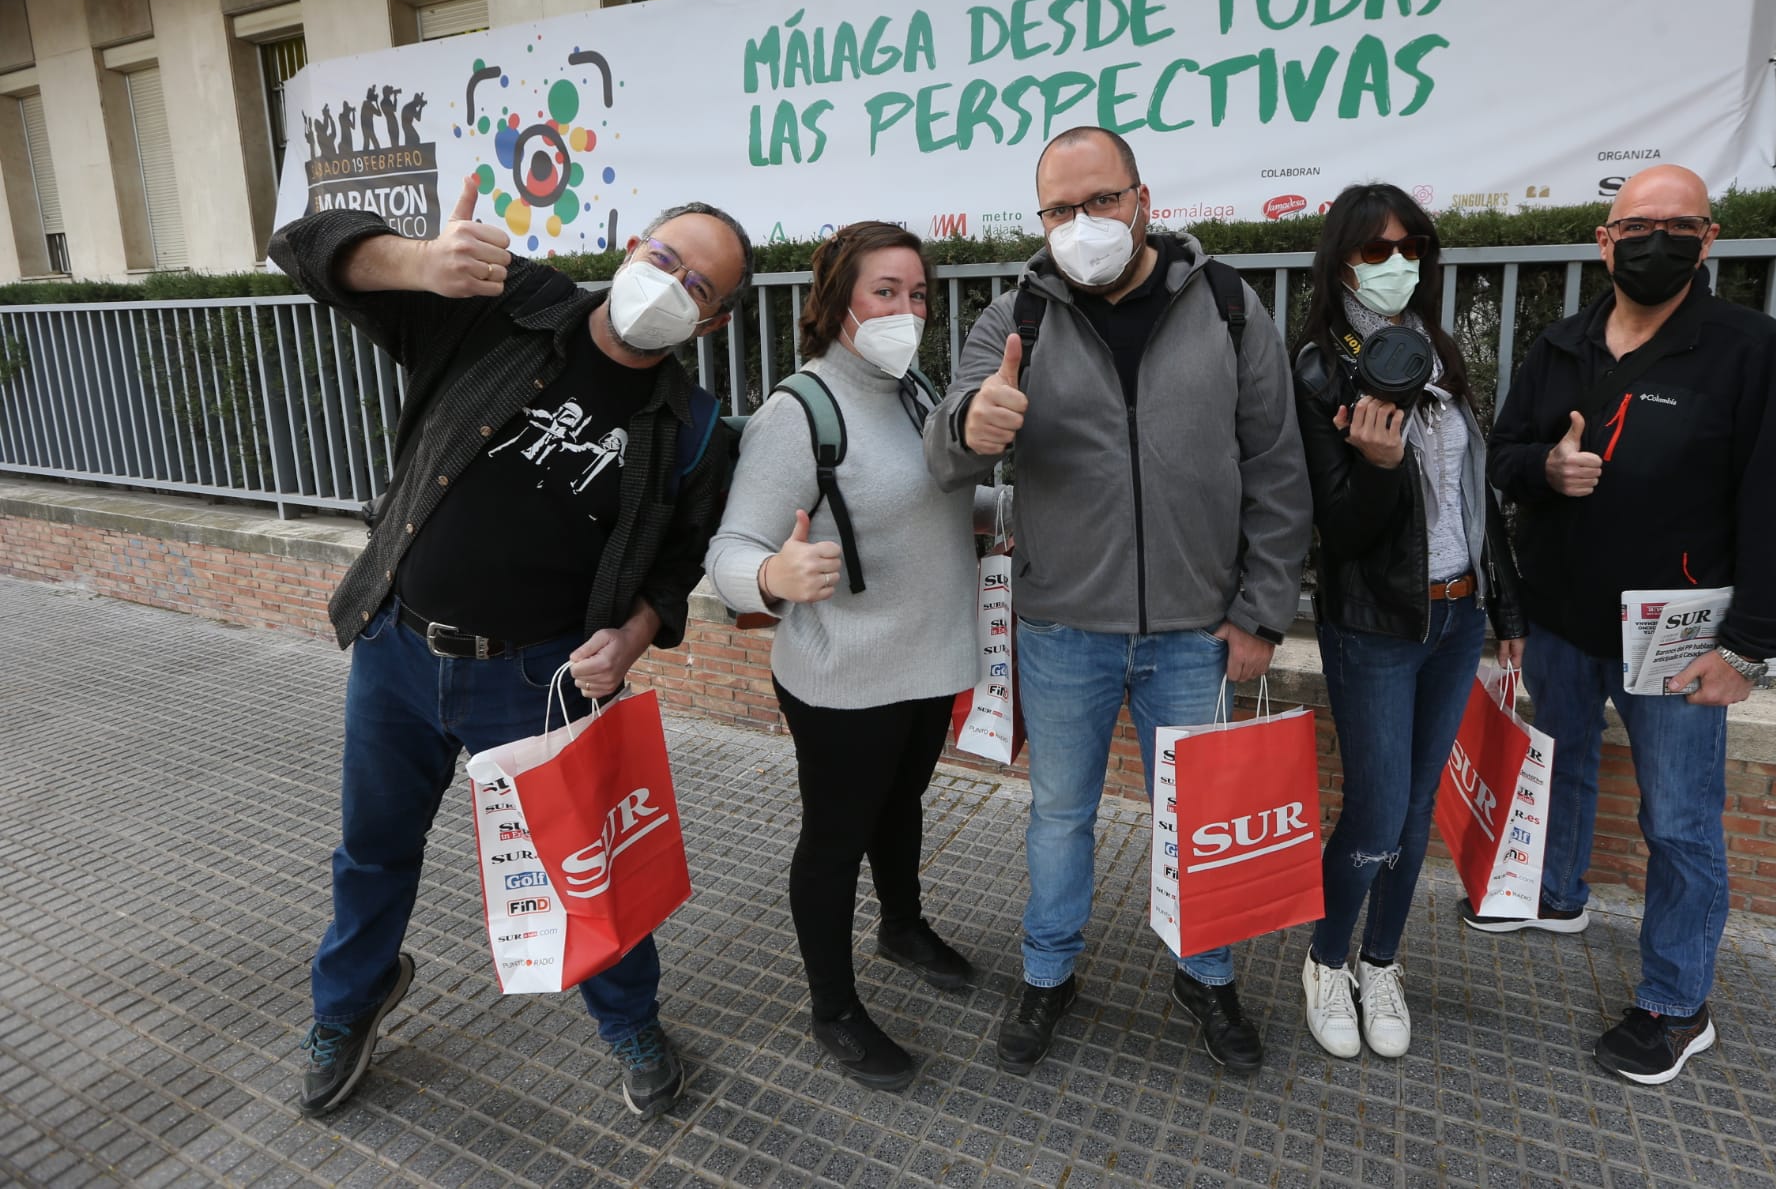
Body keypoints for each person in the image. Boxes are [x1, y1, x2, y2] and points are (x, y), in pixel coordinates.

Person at [269, 177, 753, 1120]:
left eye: (697, 285)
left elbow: (676, 567)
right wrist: (417, 262)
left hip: (540, 677)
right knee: (372, 850)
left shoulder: (690, 430)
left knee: (586, 862)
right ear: (628, 249)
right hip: (399, 652)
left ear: (712, 321)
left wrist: (636, 635)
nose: (669, 284)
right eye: (663, 258)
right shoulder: (501, 308)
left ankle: (630, 1020)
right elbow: (302, 245)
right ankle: (351, 1000)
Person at [924, 126, 1311, 1076]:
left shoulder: (1226, 304)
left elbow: (1276, 464)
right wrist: (972, 423)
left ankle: (1206, 971)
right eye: (1059, 209)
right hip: (1063, 631)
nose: (1081, 223)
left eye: (1100, 201)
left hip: (1197, 631)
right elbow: (945, 449)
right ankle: (1048, 971)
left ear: (1145, 199)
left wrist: (1261, 611)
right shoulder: (1017, 313)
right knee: (1059, 816)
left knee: (1201, 815)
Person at [1484, 164, 1776, 1086]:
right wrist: (1544, 470)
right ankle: (1555, 897)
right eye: (1635, 226)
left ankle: (1677, 1003)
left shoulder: (1751, 351)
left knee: (1678, 823)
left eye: (1677, 225)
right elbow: (1502, 454)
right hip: (1559, 615)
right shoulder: (1559, 344)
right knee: (1560, 766)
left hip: (1677, 637)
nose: (1653, 241)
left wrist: (1749, 645)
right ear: (1604, 240)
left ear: (1708, 239)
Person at [705, 222, 982, 1092]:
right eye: (885, 292)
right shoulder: (801, 413)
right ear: (838, 301)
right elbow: (730, 553)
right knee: (835, 838)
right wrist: (774, 574)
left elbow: (940, 499)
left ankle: (901, 926)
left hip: (930, 659)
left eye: (918, 293)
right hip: (844, 677)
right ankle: (833, 1008)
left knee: (901, 807)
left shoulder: (915, 390)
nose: (907, 309)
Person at [1291, 183, 1526, 1062]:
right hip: (1378, 625)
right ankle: (1325, 959)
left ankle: (1381, 960)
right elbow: (1342, 528)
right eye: (1374, 248)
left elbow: (1477, 497)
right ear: (1340, 258)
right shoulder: (1319, 364)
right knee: (1379, 809)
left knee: (1419, 806)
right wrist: (1382, 464)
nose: (1395, 264)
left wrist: (1506, 603)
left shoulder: (1439, 349)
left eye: (1410, 246)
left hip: (1459, 614)